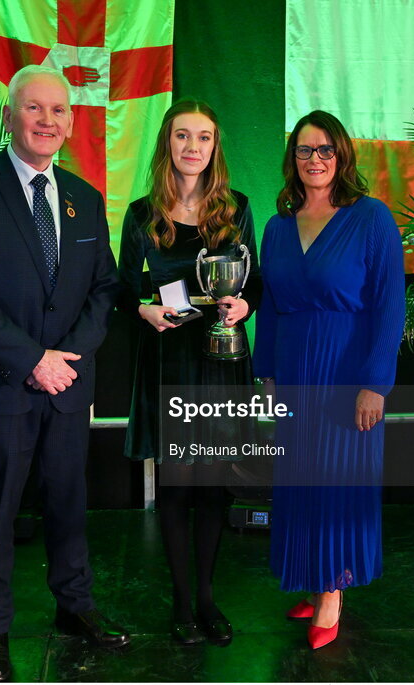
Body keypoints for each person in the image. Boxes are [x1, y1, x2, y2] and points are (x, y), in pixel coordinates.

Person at [0, 65, 127, 682]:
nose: (49, 121)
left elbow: (105, 288)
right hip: (0, 384)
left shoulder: (85, 198)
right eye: (35, 109)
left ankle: (75, 607)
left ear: (72, 122)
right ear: (10, 114)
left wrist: (66, 360)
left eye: (60, 111)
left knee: (69, 502)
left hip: (68, 385)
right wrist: (31, 361)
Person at [252, 110, 405, 650]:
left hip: (346, 370)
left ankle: (333, 596)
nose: (314, 160)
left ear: (341, 156)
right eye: (304, 151)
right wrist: (265, 374)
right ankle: (314, 580)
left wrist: (375, 384)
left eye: (324, 150)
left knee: (338, 482)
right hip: (293, 370)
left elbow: (390, 307)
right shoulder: (276, 226)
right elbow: (269, 307)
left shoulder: (372, 219)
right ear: (292, 160)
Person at [117, 99, 261, 646]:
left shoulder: (237, 207)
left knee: (214, 488)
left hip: (222, 361)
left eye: (203, 137)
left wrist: (243, 306)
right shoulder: (140, 214)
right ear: (167, 143)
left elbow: (256, 283)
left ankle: (205, 598)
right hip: (170, 359)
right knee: (177, 487)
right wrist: (143, 309)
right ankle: (181, 603)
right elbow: (125, 287)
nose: (192, 147)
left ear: (215, 147)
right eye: (182, 136)